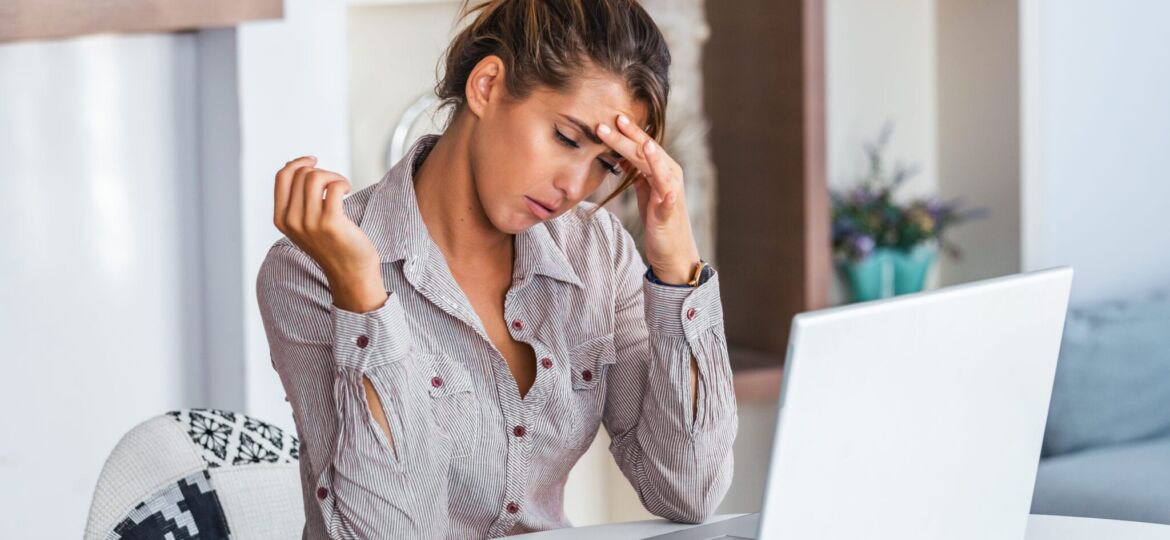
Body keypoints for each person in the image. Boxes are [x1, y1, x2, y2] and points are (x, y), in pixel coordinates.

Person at [255, 1, 737, 537]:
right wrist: (362, 296)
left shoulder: (597, 252)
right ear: (486, 86)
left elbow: (688, 491)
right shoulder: (311, 271)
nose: (574, 187)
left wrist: (676, 268)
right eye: (567, 138)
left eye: (606, 163)